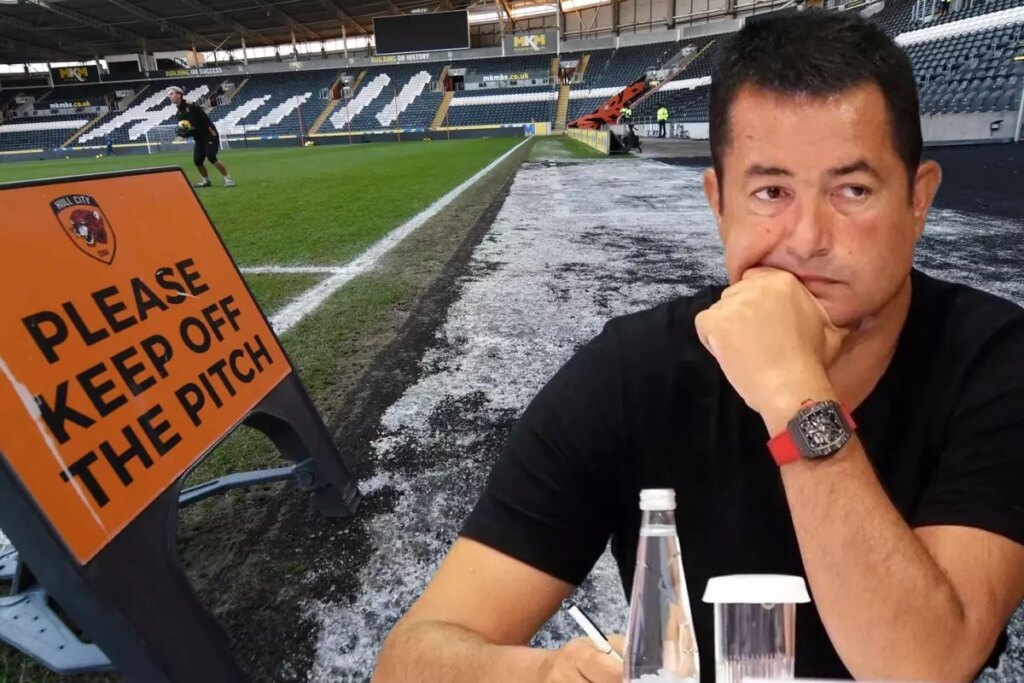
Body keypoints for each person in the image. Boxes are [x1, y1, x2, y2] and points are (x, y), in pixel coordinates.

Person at [374, 10, 1024, 683]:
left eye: (852, 190)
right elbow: (409, 660)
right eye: (771, 191)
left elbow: (922, 666)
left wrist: (793, 391)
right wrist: (542, 676)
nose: (808, 238)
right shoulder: (632, 373)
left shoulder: (995, 362)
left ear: (918, 200)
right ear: (719, 203)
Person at [167, 86, 235, 188]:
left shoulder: (191, 106)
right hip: (198, 138)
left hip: (209, 134)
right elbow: (189, 129)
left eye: (172, 94)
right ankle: (206, 181)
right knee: (198, 161)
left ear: (179, 95)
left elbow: (200, 121)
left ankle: (229, 180)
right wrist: (184, 134)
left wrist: (191, 129)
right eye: (169, 95)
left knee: (211, 157)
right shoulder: (179, 113)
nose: (170, 96)